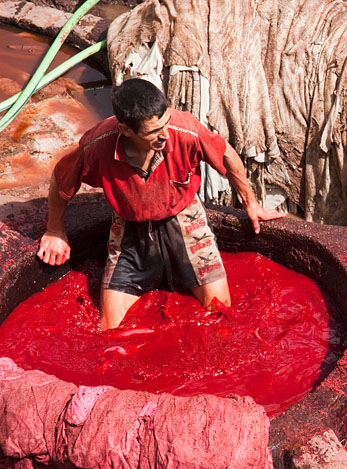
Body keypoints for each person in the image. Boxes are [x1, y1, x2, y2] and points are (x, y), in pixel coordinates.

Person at [36, 78, 283, 330]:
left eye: (165, 122)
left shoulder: (185, 130)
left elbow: (228, 155)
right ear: (126, 130)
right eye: (154, 132)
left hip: (186, 222)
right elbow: (61, 178)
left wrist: (251, 204)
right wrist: (55, 230)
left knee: (221, 314)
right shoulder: (98, 144)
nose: (165, 134)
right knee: (109, 329)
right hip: (129, 231)